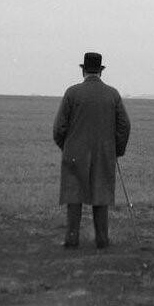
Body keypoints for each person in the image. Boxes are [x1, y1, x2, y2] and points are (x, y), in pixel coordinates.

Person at [52, 51, 131, 249]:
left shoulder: (72, 93)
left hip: (74, 154)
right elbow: (124, 126)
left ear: (83, 71)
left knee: (74, 195)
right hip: (104, 153)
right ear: (100, 72)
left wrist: (67, 147)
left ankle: (71, 239)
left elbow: (59, 128)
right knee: (101, 194)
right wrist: (116, 150)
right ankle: (102, 240)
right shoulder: (112, 94)